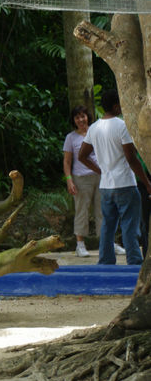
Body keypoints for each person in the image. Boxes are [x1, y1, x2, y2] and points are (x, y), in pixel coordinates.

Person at [78, 89, 151, 265]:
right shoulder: (122, 126)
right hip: (125, 184)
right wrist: (147, 182)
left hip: (106, 186)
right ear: (116, 106)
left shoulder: (94, 128)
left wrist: (100, 170)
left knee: (108, 226)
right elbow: (131, 158)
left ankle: (105, 261)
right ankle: (134, 261)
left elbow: (82, 156)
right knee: (129, 225)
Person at [62, 105, 104, 257]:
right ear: (74, 120)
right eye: (77, 117)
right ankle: (80, 245)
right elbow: (67, 162)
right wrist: (69, 181)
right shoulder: (71, 138)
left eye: (83, 116)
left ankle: (107, 243)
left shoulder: (97, 132)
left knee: (104, 210)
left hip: (101, 177)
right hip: (80, 179)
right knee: (82, 211)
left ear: (88, 116)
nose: (81, 119)